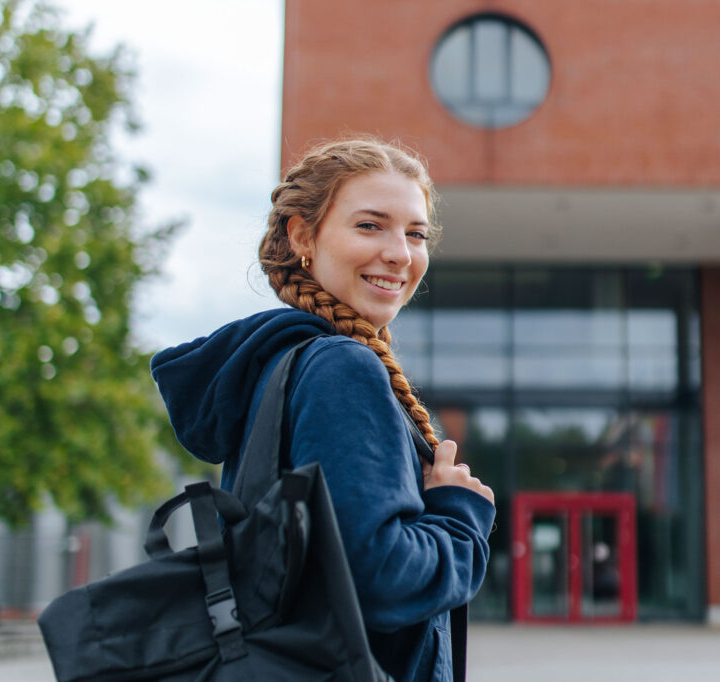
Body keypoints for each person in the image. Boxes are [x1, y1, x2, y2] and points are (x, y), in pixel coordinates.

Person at [150, 138, 496, 682]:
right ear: (302, 236)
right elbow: (379, 582)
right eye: (370, 226)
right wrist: (459, 515)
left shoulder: (278, 366)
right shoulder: (341, 368)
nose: (400, 254)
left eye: (415, 234)